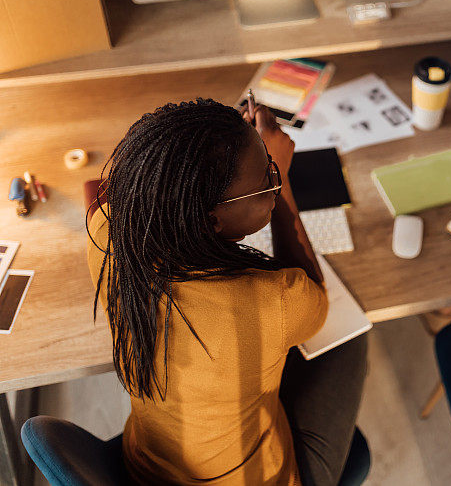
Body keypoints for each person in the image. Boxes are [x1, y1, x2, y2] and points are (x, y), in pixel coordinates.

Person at [87, 98, 367, 485]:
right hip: (257, 478)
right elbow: (314, 297)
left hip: (149, 465)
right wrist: (283, 183)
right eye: (265, 179)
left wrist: (235, 141)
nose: (271, 180)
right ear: (211, 219)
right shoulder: (271, 301)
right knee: (353, 337)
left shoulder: (107, 230)